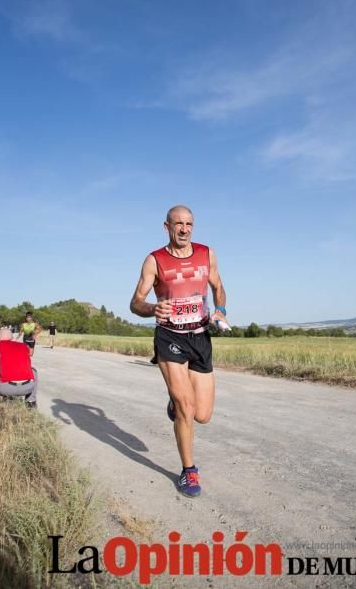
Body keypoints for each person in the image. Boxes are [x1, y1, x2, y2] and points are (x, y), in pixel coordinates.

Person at [130, 205, 229, 498]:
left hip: (200, 337)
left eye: (189, 224)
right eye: (178, 224)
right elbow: (135, 302)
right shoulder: (154, 260)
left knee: (203, 415)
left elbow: (219, 286)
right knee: (187, 409)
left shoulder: (206, 253)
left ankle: (176, 403)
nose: (184, 229)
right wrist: (152, 308)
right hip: (169, 337)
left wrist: (220, 310)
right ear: (167, 227)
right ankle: (189, 472)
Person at [0, 327, 38, 408]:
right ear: (12, 337)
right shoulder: (23, 346)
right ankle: (31, 402)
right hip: (28, 388)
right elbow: (30, 354)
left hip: (8, 388)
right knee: (33, 371)